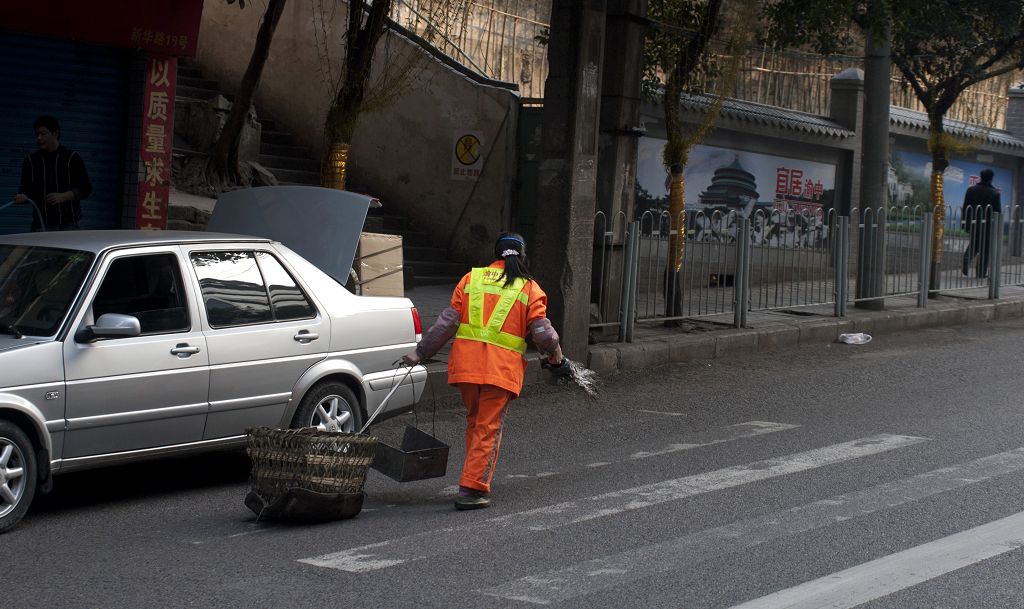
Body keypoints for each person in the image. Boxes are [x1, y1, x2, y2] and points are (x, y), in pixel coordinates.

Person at [402, 232, 563, 510]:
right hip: (499, 371)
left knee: (477, 423)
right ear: (523, 257)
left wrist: (420, 353)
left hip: (466, 368)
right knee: (488, 427)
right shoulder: (530, 288)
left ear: (495, 255)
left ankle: (470, 475)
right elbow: (542, 333)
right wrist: (557, 356)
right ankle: (472, 489)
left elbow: (446, 323)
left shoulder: (471, 279)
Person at [15, 115, 92, 231]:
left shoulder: (71, 158)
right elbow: (25, 190)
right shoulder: (31, 161)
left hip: (68, 225)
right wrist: (22, 196)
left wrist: (64, 196)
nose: (39, 138)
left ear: (55, 133)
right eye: (37, 135)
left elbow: (86, 188)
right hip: (41, 225)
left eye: (43, 134)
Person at [961, 168, 1000, 278]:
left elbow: (965, 207)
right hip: (987, 226)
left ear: (981, 177)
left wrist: (965, 223)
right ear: (991, 179)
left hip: (973, 224)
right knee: (985, 249)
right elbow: (998, 212)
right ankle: (981, 273)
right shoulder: (995, 193)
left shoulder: (971, 190)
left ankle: (967, 258)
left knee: (974, 243)